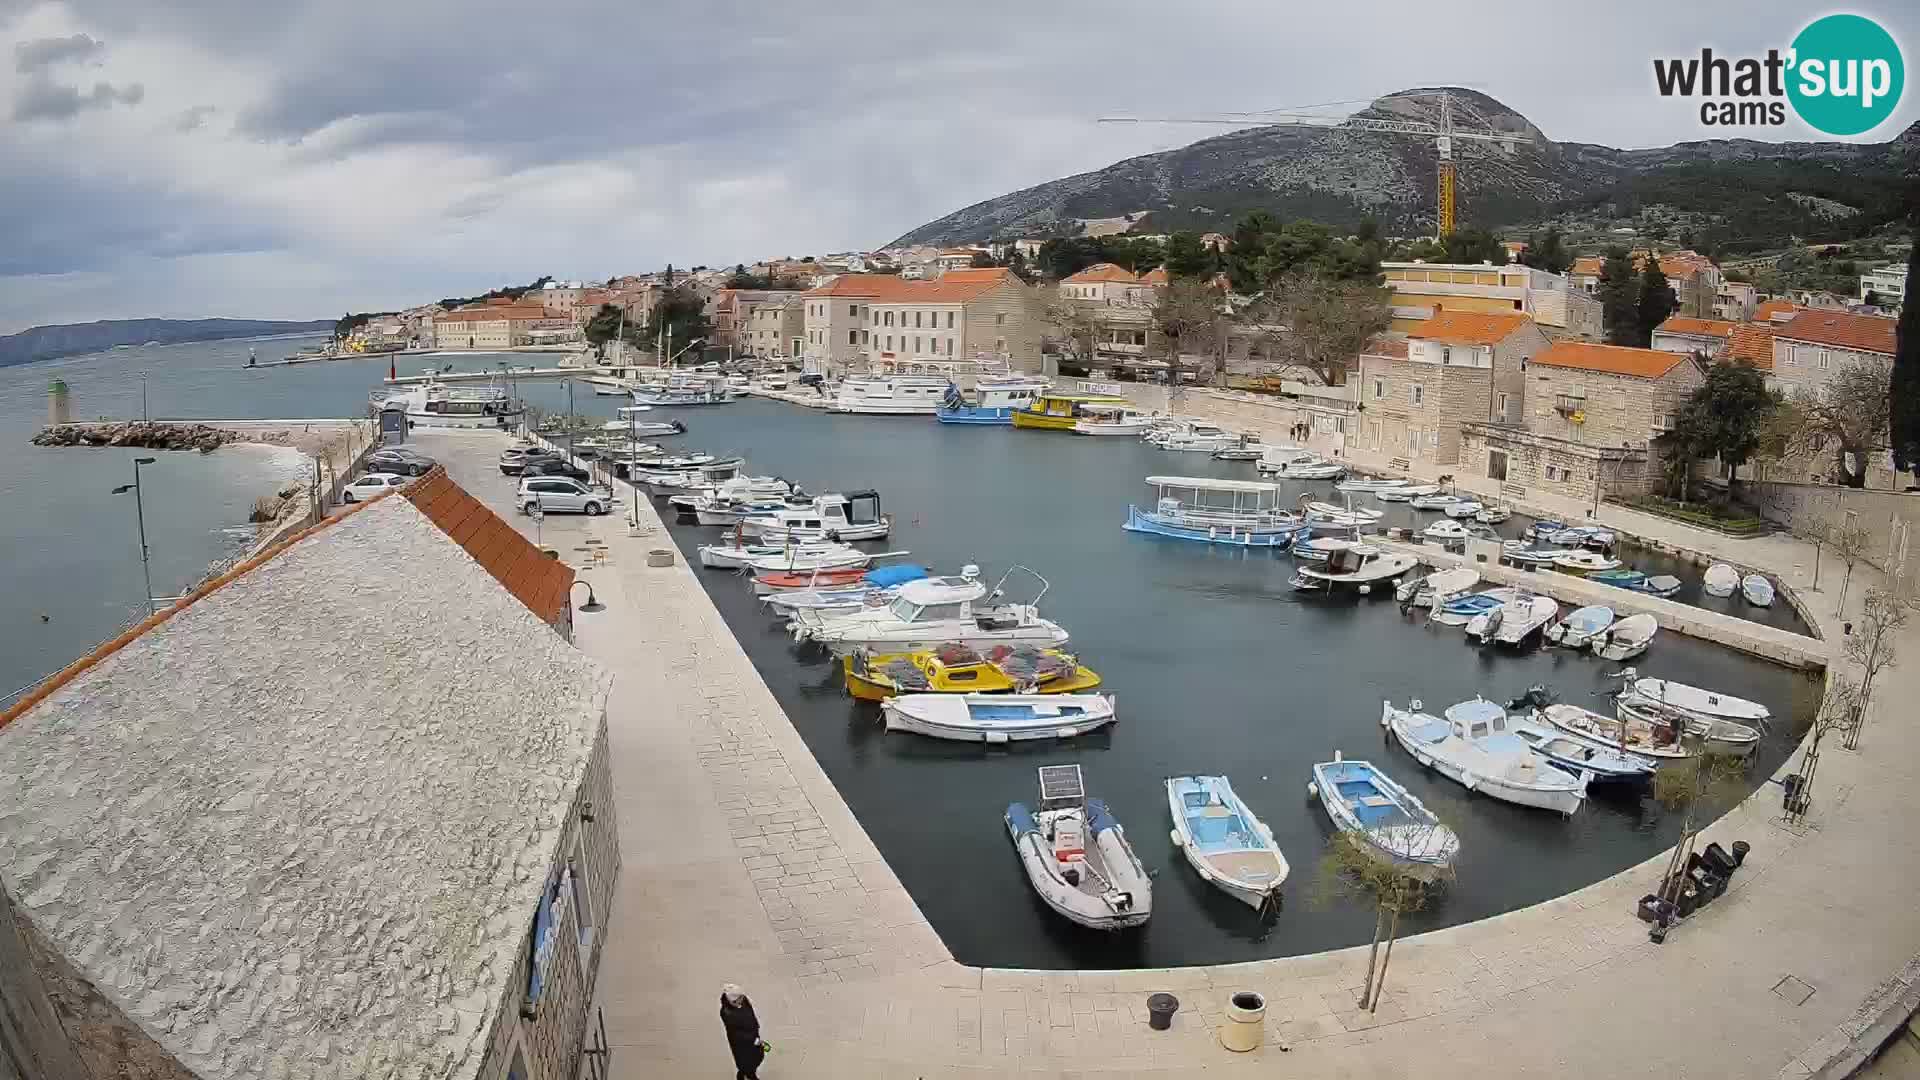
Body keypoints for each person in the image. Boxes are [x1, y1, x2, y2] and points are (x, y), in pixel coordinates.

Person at [719, 984, 765, 1080]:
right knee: (744, 1061)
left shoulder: (744, 1001)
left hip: (753, 1035)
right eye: (737, 1000)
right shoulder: (727, 1012)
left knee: (758, 1056)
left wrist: (755, 1027)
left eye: (741, 997)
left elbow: (751, 1013)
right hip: (740, 1043)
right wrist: (753, 1039)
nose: (741, 1000)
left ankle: (749, 1071)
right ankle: (745, 1073)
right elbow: (736, 1033)